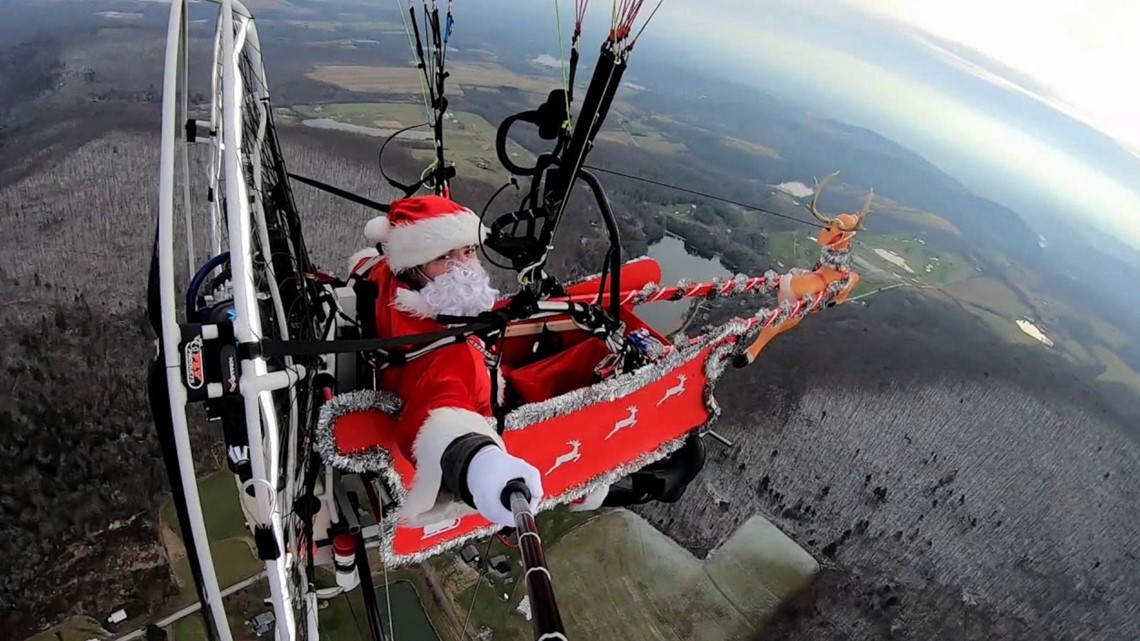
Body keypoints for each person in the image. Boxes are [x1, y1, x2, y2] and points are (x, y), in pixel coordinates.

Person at [344, 194, 544, 529]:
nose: (464, 265)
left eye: (468, 251)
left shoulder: (384, 275)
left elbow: (365, 265)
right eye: (445, 256)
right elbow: (438, 410)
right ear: (414, 265)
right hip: (478, 400)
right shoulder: (449, 357)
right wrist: (479, 463)